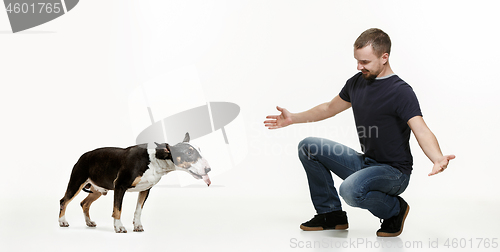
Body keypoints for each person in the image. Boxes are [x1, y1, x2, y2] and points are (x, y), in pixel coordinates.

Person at [264, 28, 455, 237]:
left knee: (350, 190)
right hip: (366, 163)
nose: (359, 66)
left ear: (384, 57)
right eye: (357, 61)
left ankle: (395, 209)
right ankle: (331, 214)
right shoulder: (356, 82)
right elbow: (329, 108)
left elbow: (421, 130)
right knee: (308, 146)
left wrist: (437, 157)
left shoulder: (400, 91)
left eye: (365, 62)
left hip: (394, 172)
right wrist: (293, 118)